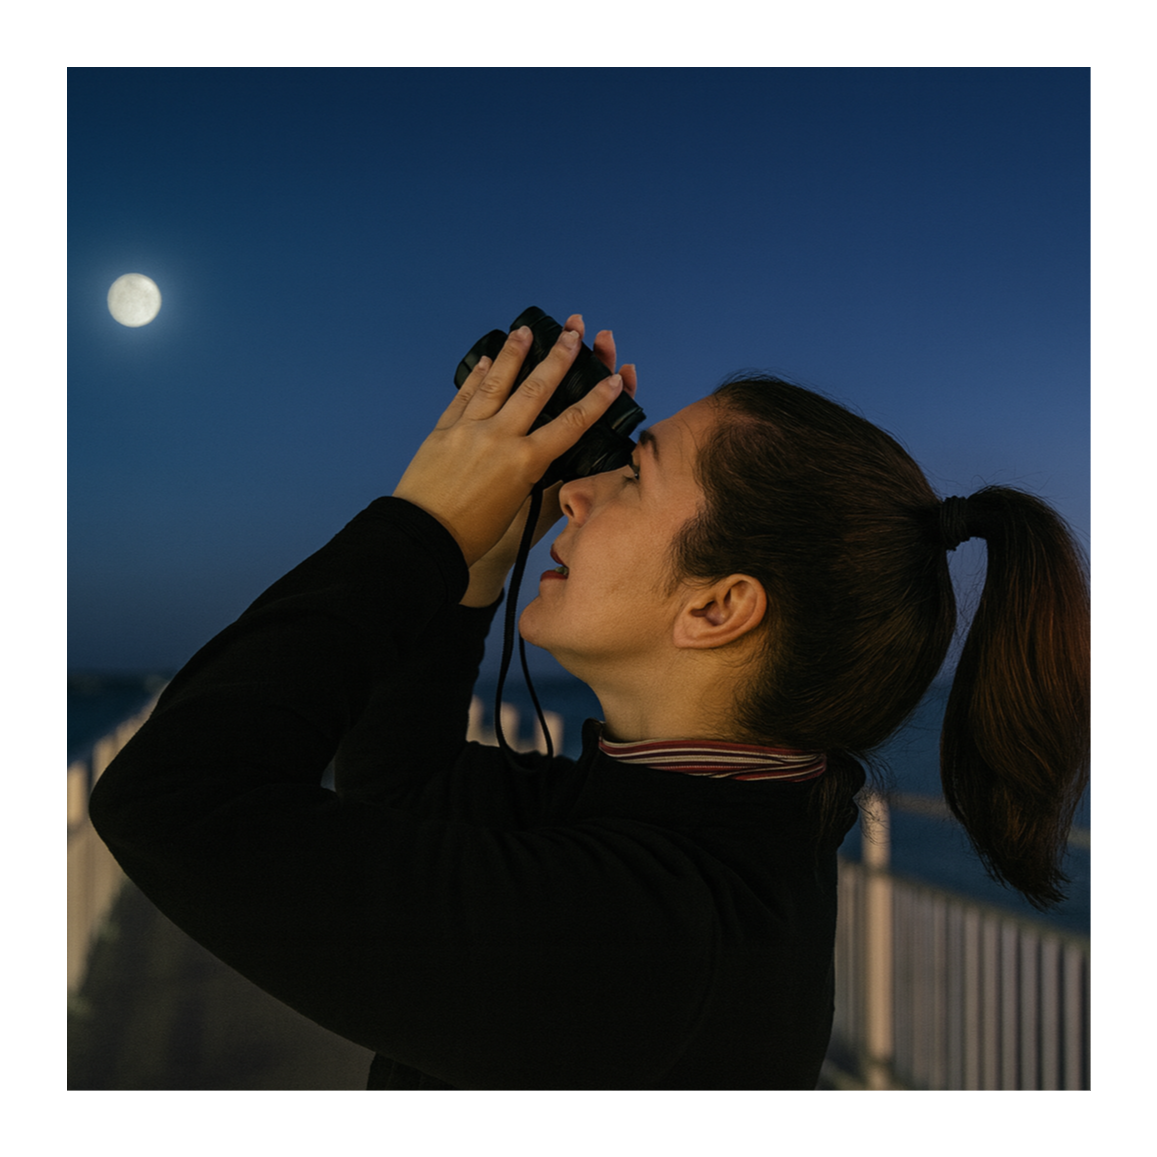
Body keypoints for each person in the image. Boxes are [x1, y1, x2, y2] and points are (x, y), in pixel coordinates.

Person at [89, 314, 1091, 1091]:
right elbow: (405, 782)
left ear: (716, 605)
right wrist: (469, 568)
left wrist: (418, 528)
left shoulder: (643, 940)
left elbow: (174, 800)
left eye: (634, 475)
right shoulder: (702, 833)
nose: (576, 493)